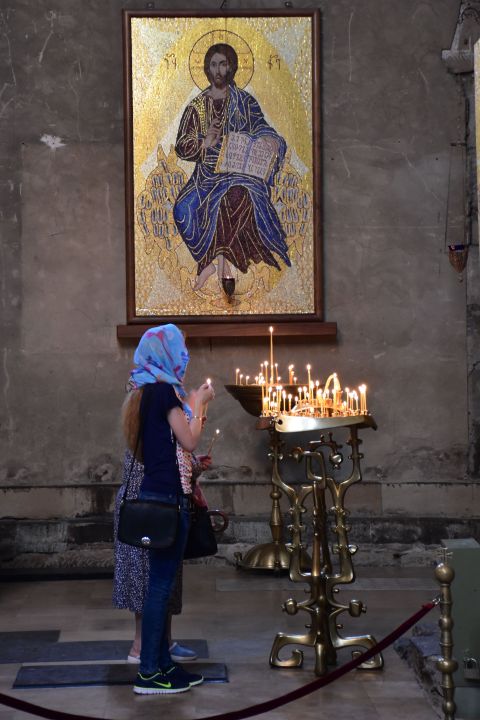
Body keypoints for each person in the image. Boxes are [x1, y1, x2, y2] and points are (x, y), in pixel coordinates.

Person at [121, 324, 214, 695]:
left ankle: (162, 665)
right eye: (181, 350)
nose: (184, 357)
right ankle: (149, 672)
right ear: (166, 354)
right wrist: (199, 404)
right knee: (159, 587)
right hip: (166, 498)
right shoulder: (164, 393)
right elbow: (189, 440)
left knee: (159, 585)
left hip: (154, 493)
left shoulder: (144, 393)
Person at [173, 43, 291, 291]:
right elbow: (182, 145)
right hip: (205, 177)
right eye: (214, 64)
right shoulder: (197, 107)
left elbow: (262, 128)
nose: (218, 70)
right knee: (182, 209)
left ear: (232, 67)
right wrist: (204, 143)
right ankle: (209, 262)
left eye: (223, 64)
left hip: (239, 173)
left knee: (235, 196)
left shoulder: (245, 102)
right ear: (207, 68)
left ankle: (219, 264)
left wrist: (270, 141)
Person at [112, 435, 211, 663]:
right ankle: (141, 645)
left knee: (165, 576)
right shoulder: (149, 414)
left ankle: (164, 641)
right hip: (145, 509)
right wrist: (193, 464)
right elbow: (162, 463)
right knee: (146, 579)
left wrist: (192, 464)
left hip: (160, 505)